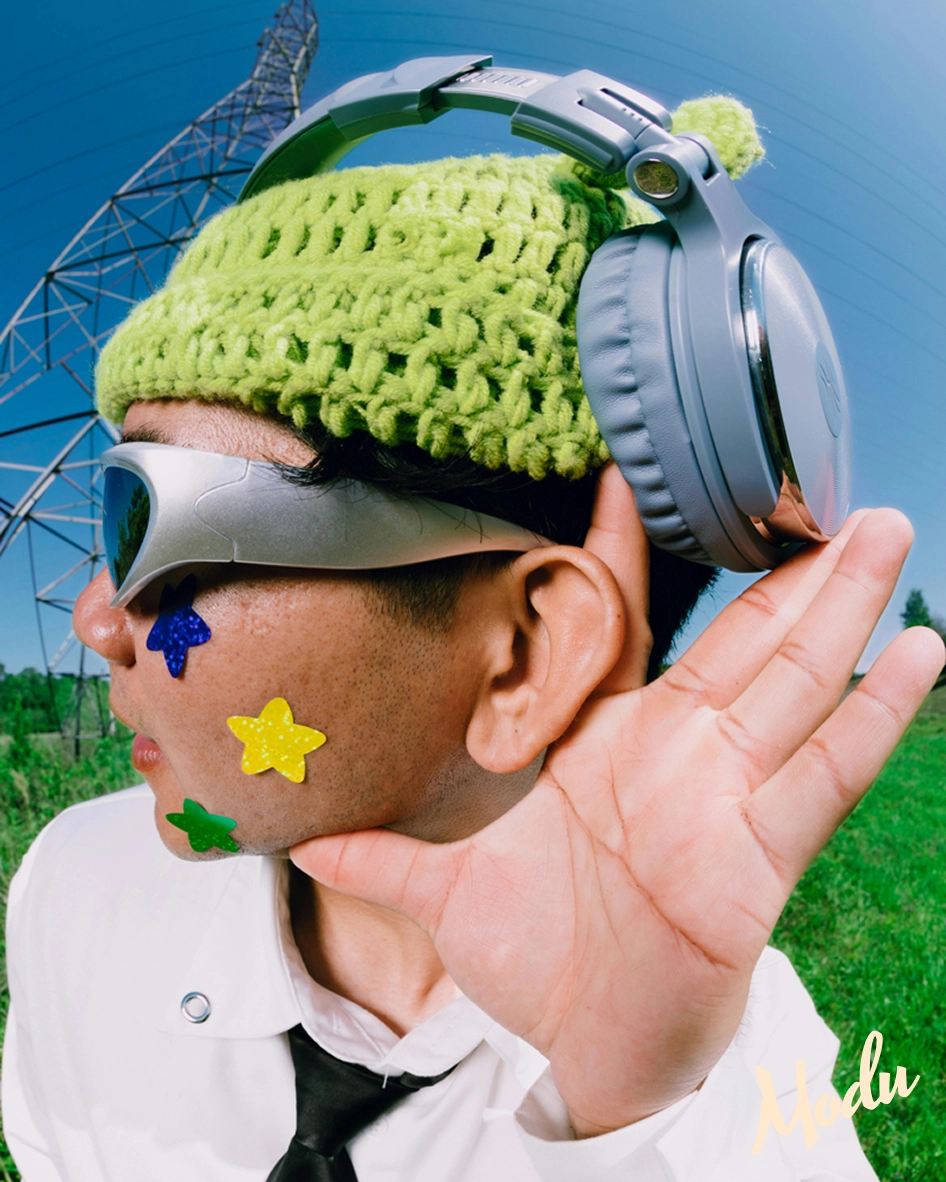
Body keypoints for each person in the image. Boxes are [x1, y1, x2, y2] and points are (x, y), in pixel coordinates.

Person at [3, 91, 942, 1182]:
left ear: (525, 653)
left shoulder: (736, 1072)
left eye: (144, 518)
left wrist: (629, 1124)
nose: (97, 619)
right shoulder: (76, 886)